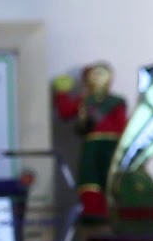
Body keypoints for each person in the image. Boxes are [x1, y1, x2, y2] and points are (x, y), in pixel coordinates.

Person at [52, 62, 128, 223]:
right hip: (95, 145)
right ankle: (94, 215)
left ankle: (111, 214)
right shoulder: (86, 100)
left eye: (101, 74)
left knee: (110, 179)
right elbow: (66, 113)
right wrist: (62, 93)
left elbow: (122, 126)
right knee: (91, 179)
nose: (97, 78)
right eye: (94, 74)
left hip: (109, 145)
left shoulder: (115, 101)